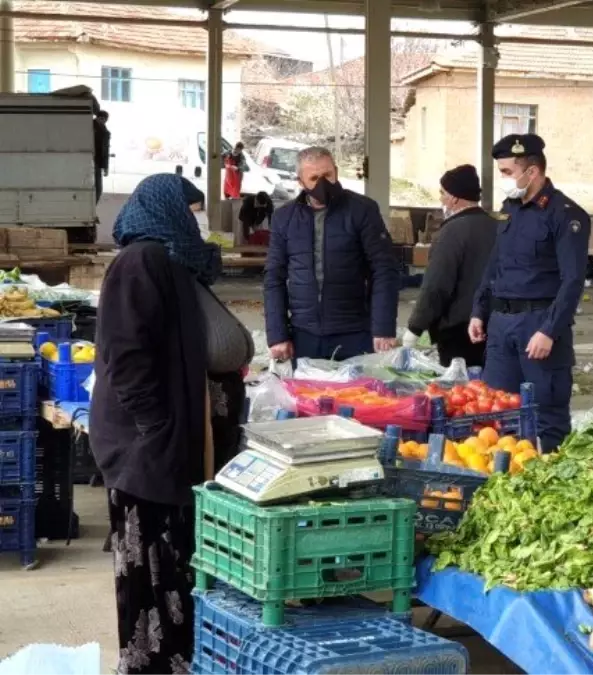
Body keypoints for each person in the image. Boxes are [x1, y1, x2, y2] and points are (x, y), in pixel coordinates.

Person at [89, 173, 234, 674]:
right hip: (142, 447)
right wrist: (156, 426)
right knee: (148, 562)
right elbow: (125, 356)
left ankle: (176, 658)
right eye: (191, 209)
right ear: (167, 210)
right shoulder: (140, 262)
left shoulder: (170, 262)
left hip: (164, 442)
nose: (195, 219)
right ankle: (150, 663)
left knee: (171, 561)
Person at [469, 134, 587, 452]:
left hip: (539, 324)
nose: (504, 180)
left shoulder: (565, 214)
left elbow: (573, 280)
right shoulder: (510, 209)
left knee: (547, 418)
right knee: (497, 414)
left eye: (507, 172)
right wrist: (479, 310)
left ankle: (550, 488)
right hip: (501, 325)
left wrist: (550, 330)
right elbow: (495, 265)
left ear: (531, 172)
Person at [263, 146, 400, 362]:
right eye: (314, 178)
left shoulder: (362, 209)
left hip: (354, 332)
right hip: (303, 334)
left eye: (327, 175)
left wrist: (383, 327)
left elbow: (384, 269)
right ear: (301, 182)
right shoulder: (284, 218)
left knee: (357, 395)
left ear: (336, 171)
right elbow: (274, 278)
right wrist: (277, 334)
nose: (322, 183)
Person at [405, 165, 498, 370]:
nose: (441, 199)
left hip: (458, 330)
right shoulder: (498, 227)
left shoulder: (452, 232)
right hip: (495, 324)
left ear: (454, 198)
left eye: (443, 193)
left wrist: (415, 328)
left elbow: (436, 285)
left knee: (460, 393)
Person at [93, 110, 111, 203]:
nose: (103, 121)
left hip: (98, 163)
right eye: (102, 119)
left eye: (105, 120)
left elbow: (105, 150)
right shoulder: (90, 126)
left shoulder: (105, 131)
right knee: (96, 189)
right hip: (91, 161)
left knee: (98, 190)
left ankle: (92, 209)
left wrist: (106, 167)